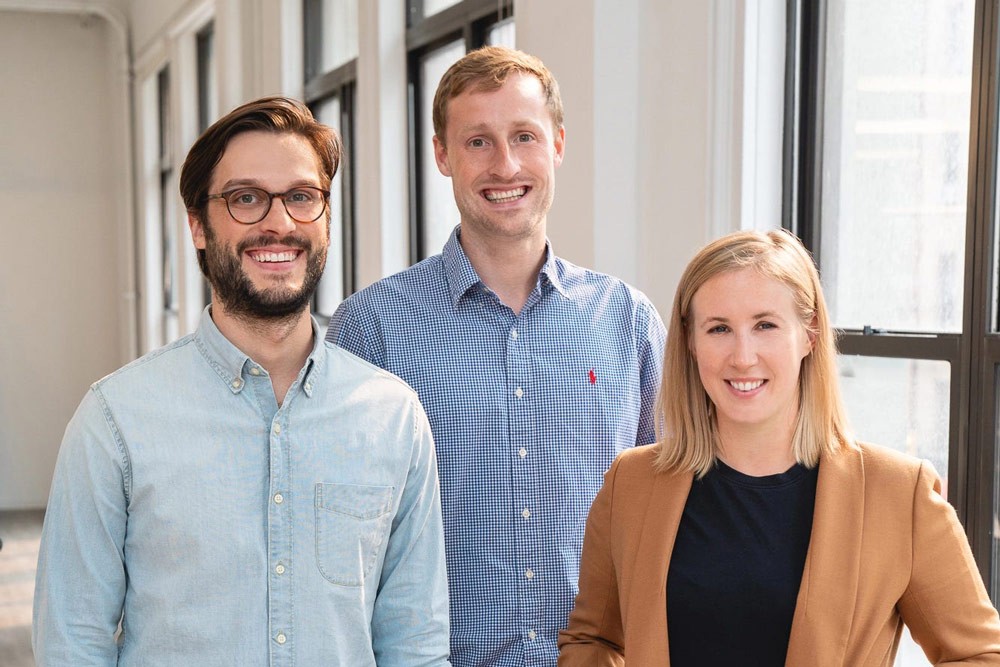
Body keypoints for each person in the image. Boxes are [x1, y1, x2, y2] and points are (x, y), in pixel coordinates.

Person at [33, 96, 450, 666]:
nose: (279, 222)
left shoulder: (392, 415)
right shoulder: (116, 420)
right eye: (246, 198)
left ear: (326, 219)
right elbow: (72, 644)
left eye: (303, 197)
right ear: (199, 226)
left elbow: (414, 644)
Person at [327, 46, 665, 665]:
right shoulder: (372, 327)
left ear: (557, 144)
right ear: (442, 155)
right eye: (477, 141)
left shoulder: (628, 321)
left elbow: (669, 508)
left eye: (524, 136)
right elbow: (335, 533)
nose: (505, 164)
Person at [558, 229, 1000, 665]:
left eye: (765, 325)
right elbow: (592, 641)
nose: (743, 356)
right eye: (718, 329)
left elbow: (980, 654)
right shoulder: (630, 484)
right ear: (691, 343)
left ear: (808, 335)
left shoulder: (900, 494)